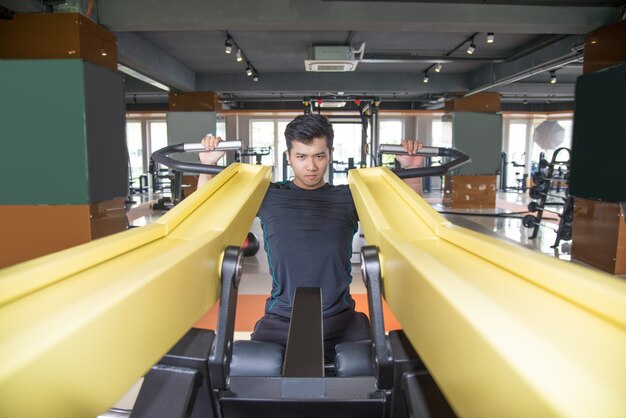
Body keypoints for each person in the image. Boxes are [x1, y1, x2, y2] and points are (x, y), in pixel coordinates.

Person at [197, 114, 422, 361]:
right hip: (281, 318)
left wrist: (414, 168)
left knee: (375, 373)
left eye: (319, 156)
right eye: (301, 157)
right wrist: (206, 166)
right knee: (250, 373)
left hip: (341, 319)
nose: (311, 167)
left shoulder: (350, 197)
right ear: (288, 156)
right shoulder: (268, 195)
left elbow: (412, 219)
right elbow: (205, 214)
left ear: (330, 153)